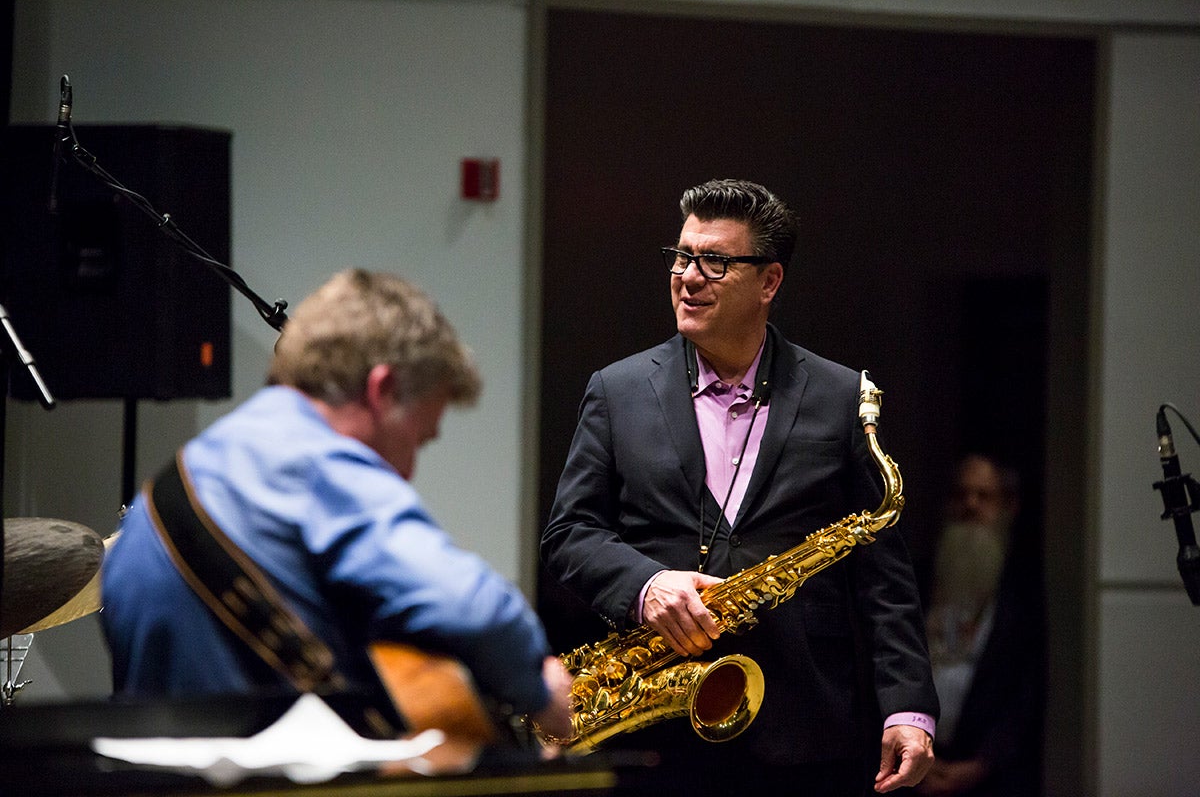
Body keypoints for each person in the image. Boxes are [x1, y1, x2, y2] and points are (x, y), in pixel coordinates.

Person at [541, 179, 939, 794]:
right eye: (681, 256)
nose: (688, 277)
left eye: (715, 261)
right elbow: (569, 534)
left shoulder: (840, 397)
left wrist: (909, 709)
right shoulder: (615, 390)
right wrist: (645, 585)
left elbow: (885, 575)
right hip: (656, 728)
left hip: (803, 728)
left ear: (770, 281)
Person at [102, 269, 572, 741]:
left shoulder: (156, 502)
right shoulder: (310, 463)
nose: (407, 472)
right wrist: (538, 687)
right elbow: (476, 609)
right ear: (382, 390)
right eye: (418, 440)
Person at [917, 453, 1045, 797]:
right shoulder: (918, 580)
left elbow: (1028, 695)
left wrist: (982, 766)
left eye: (983, 495)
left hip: (989, 777)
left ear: (1008, 505)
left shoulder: (1025, 594)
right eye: (961, 494)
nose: (970, 504)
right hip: (913, 765)